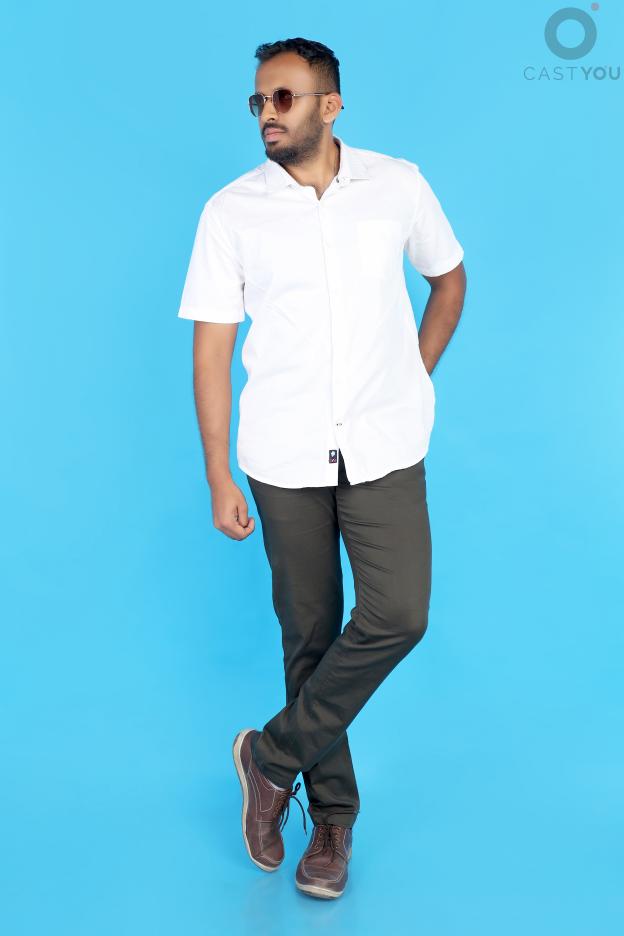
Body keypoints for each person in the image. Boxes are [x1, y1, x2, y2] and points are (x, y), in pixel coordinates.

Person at [178, 37, 467, 900]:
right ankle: (332, 825)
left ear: (330, 105)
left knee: (399, 613)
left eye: (284, 98)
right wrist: (218, 475)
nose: (267, 114)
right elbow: (211, 350)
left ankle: (268, 758)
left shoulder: (397, 185)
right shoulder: (230, 212)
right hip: (283, 454)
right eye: (258, 101)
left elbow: (449, 279)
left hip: (385, 444)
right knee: (309, 636)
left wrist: (412, 374)